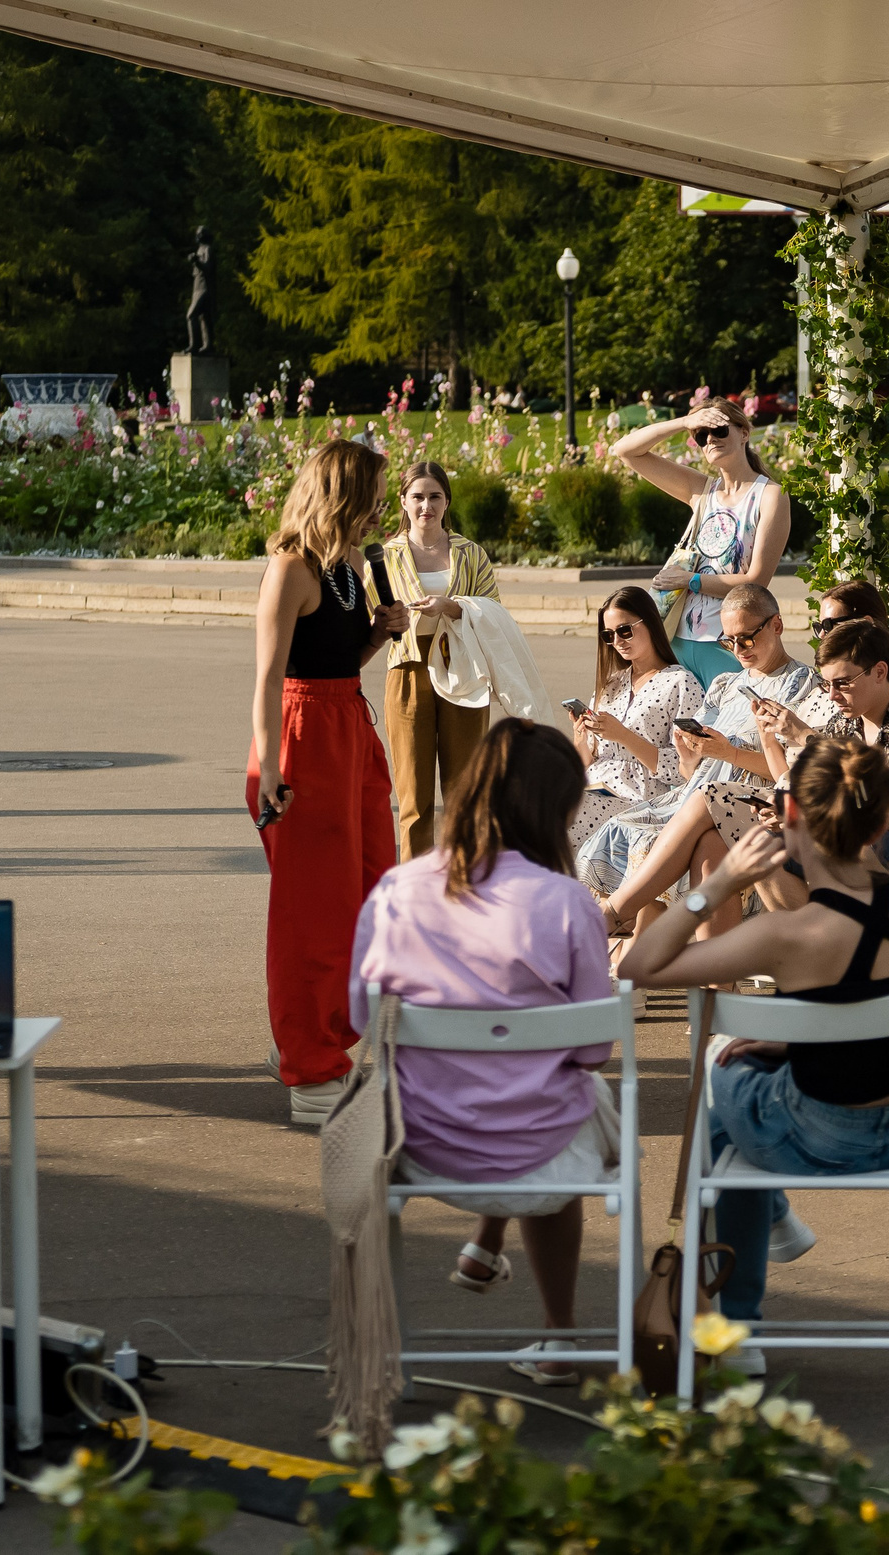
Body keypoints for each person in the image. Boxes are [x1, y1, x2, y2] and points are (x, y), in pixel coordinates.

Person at [618, 737, 889, 1365]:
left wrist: (717, 884)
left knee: (721, 1068)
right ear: (880, 821)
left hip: (820, 1132)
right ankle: (768, 1224)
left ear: (791, 818)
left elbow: (637, 966)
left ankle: (739, 1321)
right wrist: (800, 1035)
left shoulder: (785, 933)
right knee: (746, 1070)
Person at [349, 718, 617, 1386]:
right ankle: (561, 1334)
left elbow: (361, 1016)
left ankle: (398, 1337)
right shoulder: (566, 902)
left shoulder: (396, 891)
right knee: (564, 1097)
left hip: (422, 1141)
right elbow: (592, 1048)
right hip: (539, 1144)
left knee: (522, 1087)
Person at [250, 440, 408, 1123]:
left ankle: (329, 1039)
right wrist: (272, 771)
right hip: (302, 738)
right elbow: (268, 678)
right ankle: (310, 1068)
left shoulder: (348, 562)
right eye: (373, 493)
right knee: (310, 913)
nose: (381, 507)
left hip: (349, 724)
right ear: (342, 493)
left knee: (373, 887)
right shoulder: (290, 567)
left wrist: (378, 634)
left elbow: (341, 657)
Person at [582, 584, 825, 932]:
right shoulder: (725, 684)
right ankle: (693, 977)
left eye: (746, 638)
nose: (738, 649)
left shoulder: (801, 685)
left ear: (777, 626)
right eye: (728, 641)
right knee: (676, 838)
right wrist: (689, 754)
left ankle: (614, 917)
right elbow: (688, 771)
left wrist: (730, 752)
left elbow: (792, 773)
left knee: (690, 823)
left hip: (756, 806)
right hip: (700, 802)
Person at [615, 398, 793, 689]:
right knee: (680, 733)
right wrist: (685, 422)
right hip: (678, 638)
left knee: (728, 732)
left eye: (719, 429)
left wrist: (690, 580)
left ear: (744, 433)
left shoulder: (770, 495)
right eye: (701, 435)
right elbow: (625, 450)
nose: (710, 438)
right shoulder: (702, 491)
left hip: (729, 643)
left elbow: (756, 581)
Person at [756, 618, 889, 864]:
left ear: (879, 672)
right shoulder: (842, 723)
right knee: (766, 848)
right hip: (865, 837)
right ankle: (814, 904)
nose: (832, 695)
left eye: (842, 683)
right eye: (827, 684)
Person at [372, 460, 502, 857]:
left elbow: (494, 614)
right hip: (409, 670)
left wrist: (452, 606)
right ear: (403, 502)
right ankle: (417, 894)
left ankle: (465, 884)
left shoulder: (470, 553)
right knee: (413, 797)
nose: (425, 505)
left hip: (462, 669)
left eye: (434, 497)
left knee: (465, 791)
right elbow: (368, 619)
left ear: (447, 502)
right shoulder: (383, 556)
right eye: (417, 497)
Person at [567, 587, 704, 851]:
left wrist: (623, 736)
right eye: (609, 635)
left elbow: (687, 767)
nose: (618, 641)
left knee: (562, 814)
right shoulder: (610, 684)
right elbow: (588, 762)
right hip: (592, 788)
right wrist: (580, 738)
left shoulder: (681, 682)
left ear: (650, 622)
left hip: (640, 798)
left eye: (625, 630)